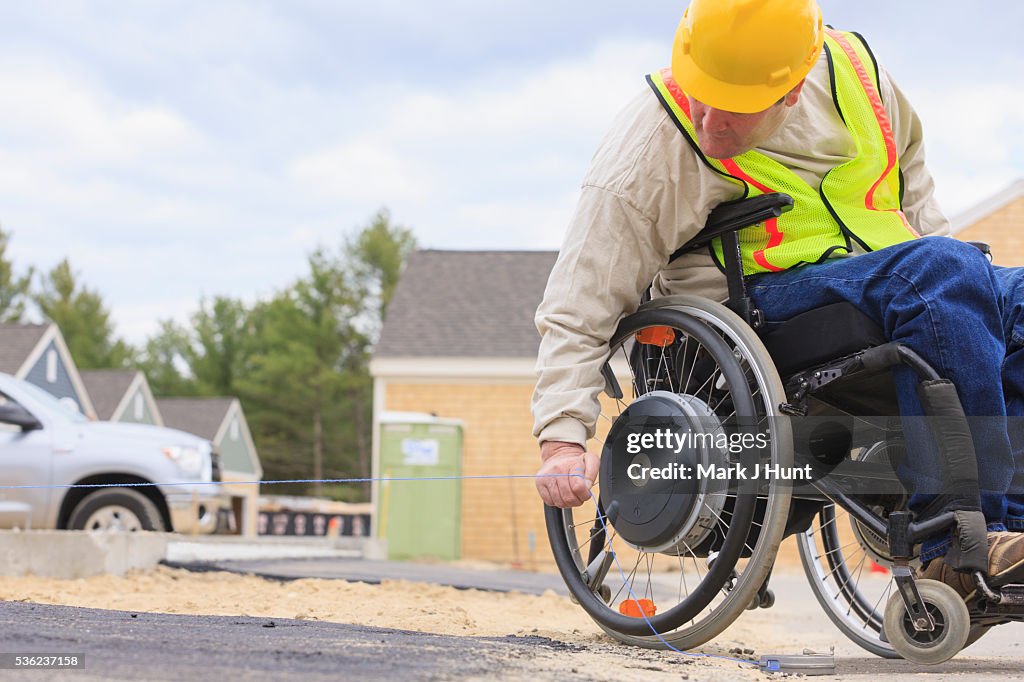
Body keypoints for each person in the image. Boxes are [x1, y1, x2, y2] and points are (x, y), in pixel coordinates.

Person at [531, 0, 1024, 599]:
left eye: (734, 112)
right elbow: (581, 296)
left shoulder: (859, 78)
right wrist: (562, 437)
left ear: (792, 91)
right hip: (761, 310)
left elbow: (915, 203)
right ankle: (957, 543)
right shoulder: (656, 138)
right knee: (939, 274)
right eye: (699, 95)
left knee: (988, 286)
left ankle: (1010, 531)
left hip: (887, 278)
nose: (709, 124)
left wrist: (969, 297)